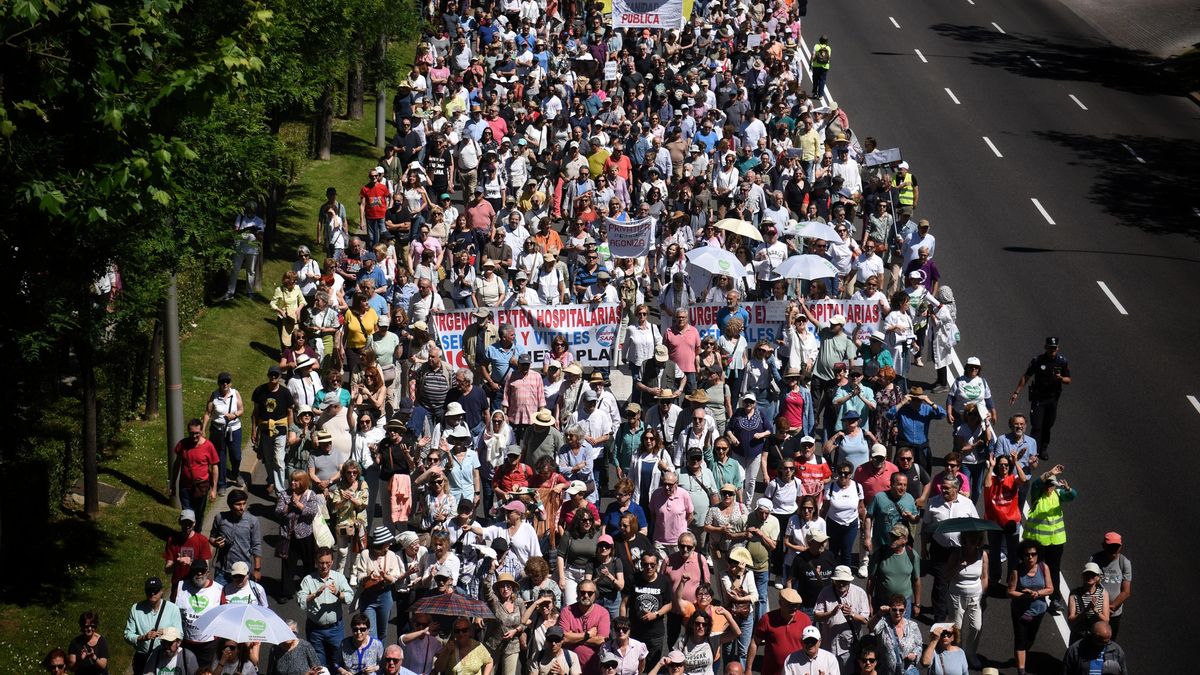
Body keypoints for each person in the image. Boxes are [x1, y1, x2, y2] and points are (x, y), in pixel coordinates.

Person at [921, 475, 978, 622]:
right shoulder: (933, 503)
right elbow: (926, 526)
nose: (942, 489)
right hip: (939, 549)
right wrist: (923, 547)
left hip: (960, 551)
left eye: (947, 488)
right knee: (941, 582)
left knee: (956, 581)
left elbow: (976, 527)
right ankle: (940, 620)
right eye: (942, 486)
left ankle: (953, 610)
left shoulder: (967, 503)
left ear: (956, 488)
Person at [1023, 464, 1077, 614]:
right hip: (1038, 541)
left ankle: (1055, 599)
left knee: (1054, 569)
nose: (1049, 487)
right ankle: (1035, 595)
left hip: (1056, 541)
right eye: (1047, 484)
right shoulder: (1036, 495)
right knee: (1036, 569)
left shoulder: (1059, 495)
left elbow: (1072, 496)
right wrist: (1050, 473)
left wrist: (1068, 489)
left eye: (1052, 484)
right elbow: (1035, 484)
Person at [1008, 337, 1070, 460]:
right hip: (1039, 398)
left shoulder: (1062, 362)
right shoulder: (1038, 360)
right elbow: (1026, 376)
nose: (1052, 350)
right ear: (1045, 347)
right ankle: (1032, 452)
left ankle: (1044, 448)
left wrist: (1061, 378)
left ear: (1058, 348)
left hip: (1052, 399)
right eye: (1050, 347)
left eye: (1054, 348)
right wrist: (1016, 392)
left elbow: (1068, 379)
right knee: (1037, 425)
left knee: (1048, 424)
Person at [299, 546, 355, 667]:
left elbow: (350, 596)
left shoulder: (338, 578)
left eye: (327, 563)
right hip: (315, 629)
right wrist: (314, 595)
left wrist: (338, 593)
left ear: (332, 562)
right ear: (316, 562)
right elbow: (301, 600)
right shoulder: (308, 580)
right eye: (321, 563)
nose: (324, 566)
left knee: (337, 661)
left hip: (335, 629)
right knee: (318, 663)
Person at [1007, 540, 1053, 675]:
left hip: (1039, 610)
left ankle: (1023, 654)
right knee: (1020, 639)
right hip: (1021, 612)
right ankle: (1021, 670)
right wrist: (1023, 595)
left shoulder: (1044, 568)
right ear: (1022, 556)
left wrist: (1037, 593)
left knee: (1031, 637)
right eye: (1027, 555)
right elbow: (1009, 592)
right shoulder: (1017, 571)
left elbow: (1050, 589)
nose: (1030, 557)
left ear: (1038, 555)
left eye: (1033, 554)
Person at [812, 565, 869, 671]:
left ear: (849, 581)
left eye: (844, 581)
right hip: (828, 645)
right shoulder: (825, 592)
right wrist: (831, 613)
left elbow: (865, 620)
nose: (841, 584)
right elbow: (816, 616)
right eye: (838, 581)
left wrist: (852, 614)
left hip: (848, 648)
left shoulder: (860, 593)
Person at [124, 576, 184, 674]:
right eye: (149, 590)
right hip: (142, 657)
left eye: (155, 590)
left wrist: (166, 633)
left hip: (164, 657)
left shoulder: (173, 609)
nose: (152, 593)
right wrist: (142, 637)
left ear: (161, 592)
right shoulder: (136, 609)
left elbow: (180, 635)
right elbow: (127, 635)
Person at [944, 532, 986, 668]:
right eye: (970, 537)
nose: (973, 540)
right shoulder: (957, 554)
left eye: (976, 538)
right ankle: (958, 653)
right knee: (957, 628)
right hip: (956, 596)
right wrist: (958, 566)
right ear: (964, 539)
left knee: (977, 626)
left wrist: (982, 595)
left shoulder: (983, 555)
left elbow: (985, 577)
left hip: (976, 597)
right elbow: (946, 575)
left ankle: (971, 653)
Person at [746, 587, 811, 675]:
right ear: (780, 603)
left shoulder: (805, 620)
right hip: (771, 672)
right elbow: (754, 642)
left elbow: (811, 645)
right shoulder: (767, 619)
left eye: (796, 605)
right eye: (790, 604)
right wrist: (748, 669)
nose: (794, 608)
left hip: (796, 672)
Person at [352, 526, 401, 639]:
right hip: (368, 595)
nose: (390, 544)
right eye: (387, 542)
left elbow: (395, 578)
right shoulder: (365, 554)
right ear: (381, 543)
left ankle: (381, 655)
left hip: (385, 596)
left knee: (382, 633)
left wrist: (385, 576)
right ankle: (372, 656)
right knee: (371, 634)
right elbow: (359, 577)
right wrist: (368, 577)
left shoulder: (391, 555)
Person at [169, 418, 220, 527]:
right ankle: (188, 534)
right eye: (191, 433)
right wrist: (173, 483)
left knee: (198, 513)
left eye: (197, 433)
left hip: (201, 486)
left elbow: (215, 467)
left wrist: (214, 489)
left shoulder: (208, 446)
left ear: (201, 432)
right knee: (187, 514)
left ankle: (197, 534)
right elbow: (177, 464)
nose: (194, 436)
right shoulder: (182, 444)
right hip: (185, 486)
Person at [209, 488, 263, 587]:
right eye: (238, 504)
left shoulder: (252, 521)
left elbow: (256, 546)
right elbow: (212, 537)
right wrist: (215, 543)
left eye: (244, 503)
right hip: (222, 571)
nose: (242, 507)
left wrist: (257, 569)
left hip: (243, 572)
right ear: (230, 505)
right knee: (219, 600)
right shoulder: (220, 518)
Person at [203, 372, 245, 492]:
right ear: (219, 383)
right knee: (220, 457)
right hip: (218, 430)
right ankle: (221, 484)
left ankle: (236, 473)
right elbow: (208, 413)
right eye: (222, 382)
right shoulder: (214, 396)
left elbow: (242, 409)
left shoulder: (235, 393)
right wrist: (203, 429)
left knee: (236, 456)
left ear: (230, 383)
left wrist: (234, 415)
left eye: (227, 381)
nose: (225, 384)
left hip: (234, 429)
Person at [176, 559, 222, 666]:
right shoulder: (181, 587)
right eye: (196, 571)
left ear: (208, 573)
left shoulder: (218, 590)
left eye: (202, 571)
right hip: (186, 640)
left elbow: (223, 615)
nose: (199, 573)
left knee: (203, 671)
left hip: (208, 643)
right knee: (185, 668)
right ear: (190, 572)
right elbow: (173, 610)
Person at [820, 461, 863, 570]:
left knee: (846, 551)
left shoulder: (858, 487)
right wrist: (819, 525)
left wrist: (865, 525)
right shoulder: (830, 487)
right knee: (833, 551)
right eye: (840, 473)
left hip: (851, 525)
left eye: (846, 473)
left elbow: (861, 507)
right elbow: (825, 508)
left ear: (851, 474)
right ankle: (831, 575)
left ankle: (845, 576)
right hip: (833, 524)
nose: (843, 476)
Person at [163, 508, 213, 600]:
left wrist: (191, 563)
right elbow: (167, 570)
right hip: (178, 588)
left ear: (194, 523)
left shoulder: (202, 541)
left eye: (189, 523)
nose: (187, 526)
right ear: (179, 522)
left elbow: (206, 569)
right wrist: (177, 564)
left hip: (196, 587)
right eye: (184, 522)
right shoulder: (172, 540)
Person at [1090, 532, 1132, 640]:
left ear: (1120, 547)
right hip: (1096, 610)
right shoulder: (1095, 559)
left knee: (1108, 640)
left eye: (1116, 546)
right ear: (1104, 545)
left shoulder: (1124, 563)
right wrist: (1099, 607)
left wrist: (1111, 608)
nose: (1113, 549)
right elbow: (1089, 583)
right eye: (1110, 546)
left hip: (1114, 613)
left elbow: (1126, 591)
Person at [866, 594, 923, 675]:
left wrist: (915, 654)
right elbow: (870, 627)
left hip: (907, 670)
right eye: (894, 609)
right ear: (890, 609)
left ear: (905, 610)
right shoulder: (883, 623)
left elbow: (919, 646)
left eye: (901, 610)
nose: (897, 613)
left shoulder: (913, 626)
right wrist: (879, 614)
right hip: (887, 671)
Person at [1067, 562, 1111, 645]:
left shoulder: (1103, 594)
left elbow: (1106, 620)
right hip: (1078, 636)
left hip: (1095, 637)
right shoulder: (1074, 594)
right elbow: (1071, 620)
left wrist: (1095, 610)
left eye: (1093, 574)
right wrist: (1086, 611)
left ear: (1098, 577)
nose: (1090, 577)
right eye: (1087, 574)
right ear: (1083, 576)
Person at [1061, 621, 1128, 675]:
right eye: (1101, 641)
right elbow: (1066, 671)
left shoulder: (1116, 650)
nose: (1104, 645)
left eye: (1107, 641)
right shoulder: (1075, 650)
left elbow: (1123, 671)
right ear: (1093, 636)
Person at [66, 611, 109, 675]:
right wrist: (80, 659)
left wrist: (94, 657)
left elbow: (103, 666)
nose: (89, 628)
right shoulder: (75, 643)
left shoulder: (101, 641)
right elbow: (71, 668)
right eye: (86, 626)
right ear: (82, 626)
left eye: (92, 626)